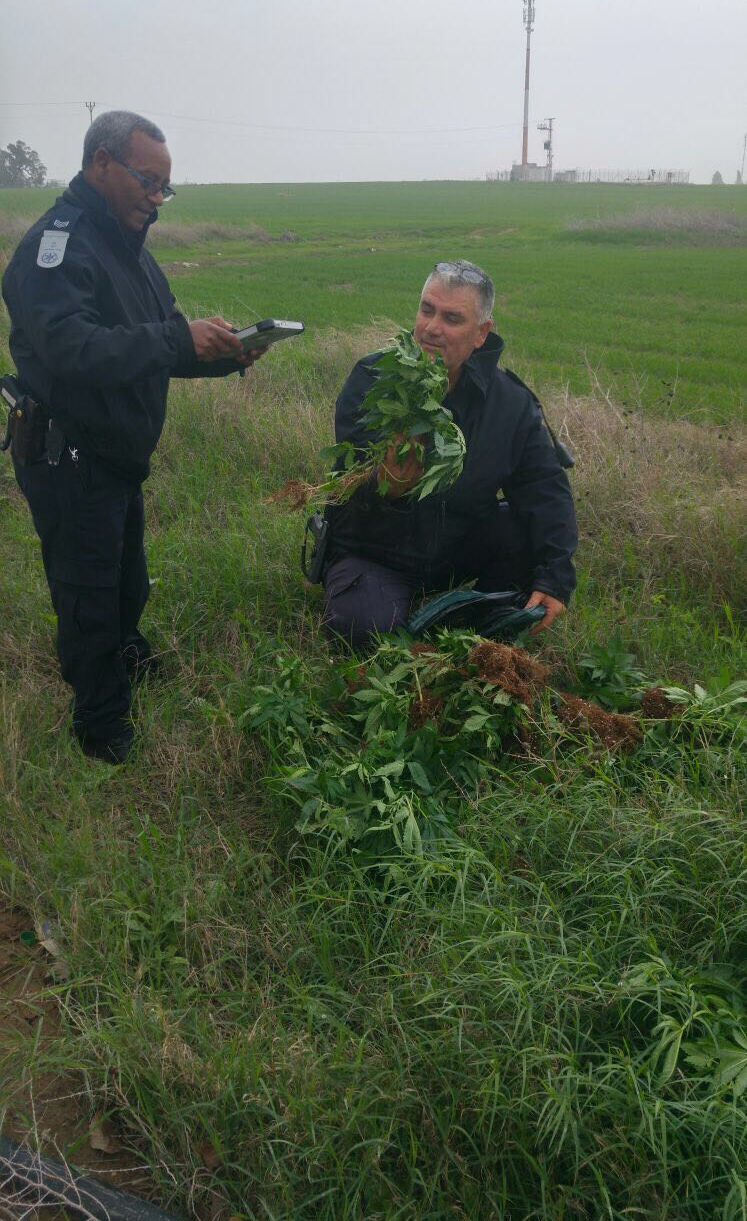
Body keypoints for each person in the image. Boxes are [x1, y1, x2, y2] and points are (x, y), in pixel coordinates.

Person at [1, 110, 259, 764]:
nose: (156, 198)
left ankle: (125, 655)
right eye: (148, 181)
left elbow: (153, 345)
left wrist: (222, 355)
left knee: (126, 581)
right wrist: (177, 338)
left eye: (165, 187)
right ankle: (101, 725)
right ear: (100, 165)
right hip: (69, 455)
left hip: (114, 456)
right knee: (88, 592)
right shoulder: (57, 247)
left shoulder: (127, 251)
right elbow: (71, 350)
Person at [322, 259, 578, 648]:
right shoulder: (374, 379)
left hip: (457, 548)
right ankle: (383, 601)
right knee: (360, 630)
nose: (431, 328)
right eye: (427, 310)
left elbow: (544, 488)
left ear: (481, 333)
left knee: (524, 533)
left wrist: (555, 577)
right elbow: (348, 478)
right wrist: (387, 485)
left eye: (452, 318)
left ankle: (472, 622)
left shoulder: (510, 403)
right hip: (374, 549)